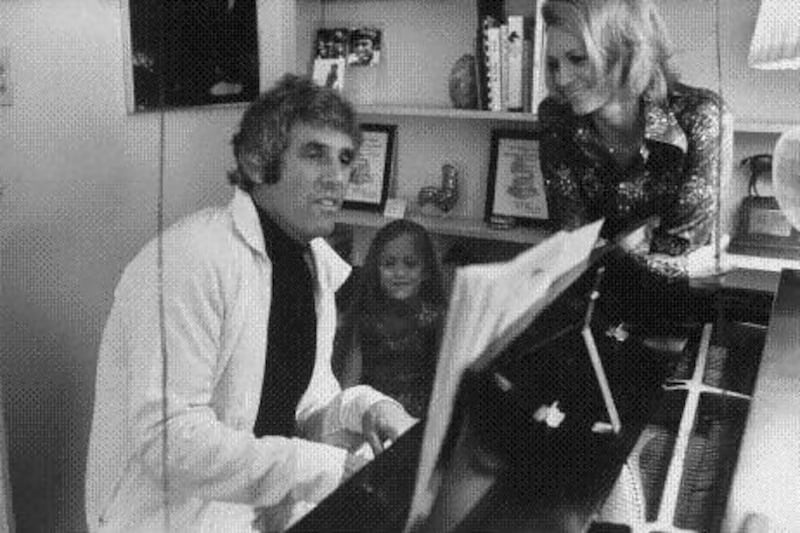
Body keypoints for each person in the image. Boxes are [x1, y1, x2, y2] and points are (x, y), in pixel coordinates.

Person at [85, 74, 416, 533]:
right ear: (258, 162)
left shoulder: (312, 265)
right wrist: (325, 469)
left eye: (344, 159)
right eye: (314, 153)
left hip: (248, 513)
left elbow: (303, 409)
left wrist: (368, 409)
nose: (336, 177)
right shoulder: (190, 260)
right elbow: (169, 441)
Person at [537, 0, 732, 282]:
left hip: (677, 314)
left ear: (626, 52)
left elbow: (678, 251)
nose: (562, 78)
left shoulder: (701, 117)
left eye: (577, 58)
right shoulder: (556, 116)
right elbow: (570, 252)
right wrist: (681, 267)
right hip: (590, 308)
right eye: (554, 64)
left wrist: (620, 252)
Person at [334, 220, 446, 419]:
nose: (399, 273)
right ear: (376, 270)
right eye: (389, 264)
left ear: (426, 271)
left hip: (418, 420)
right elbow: (349, 384)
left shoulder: (435, 320)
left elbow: (444, 382)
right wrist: (341, 419)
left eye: (410, 264)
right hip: (372, 416)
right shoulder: (366, 317)